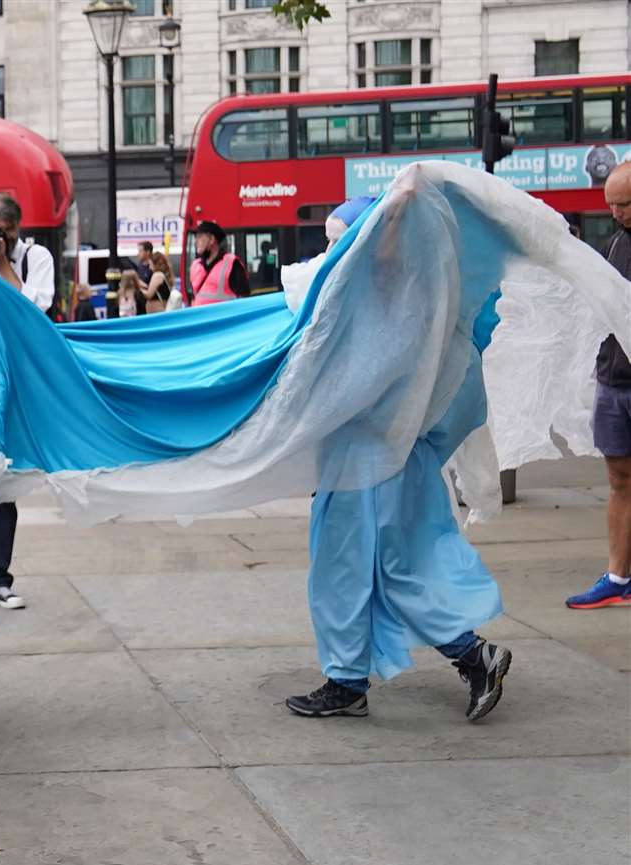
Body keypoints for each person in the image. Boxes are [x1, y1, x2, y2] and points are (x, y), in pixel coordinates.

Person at [286, 196, 514, 723]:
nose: (331, 248)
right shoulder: (397, 303)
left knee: (381, 569)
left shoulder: (395, 306)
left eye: (340, 237)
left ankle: (468, 657)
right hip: (370, 460)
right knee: (372, 569)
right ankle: (352, 679)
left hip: (377, 461)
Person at [0, 191, 50, 611]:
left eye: (6, 231)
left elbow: (32, 309)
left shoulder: (36, 258)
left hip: (16, 377)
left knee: (2, 483)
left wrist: (0, 264)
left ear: (18, 229)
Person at [565, 159, 631, 609]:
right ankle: (618, 576)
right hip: (614, 382)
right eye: (610, 205)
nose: (616, 213)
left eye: (624, 204)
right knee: (619, 479)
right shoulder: (616, 242)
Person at [188, 220, 249, 306]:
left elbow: (244, 299)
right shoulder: (195, 265)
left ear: (212, 240)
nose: (196, 242)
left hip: (225, 318)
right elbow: (193, 298)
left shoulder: (232, 263)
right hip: (201, 318)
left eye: (200, 237)